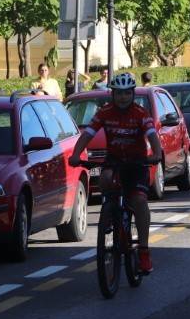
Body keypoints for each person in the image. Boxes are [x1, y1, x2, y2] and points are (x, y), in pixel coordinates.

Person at [68, 72, 163, 274]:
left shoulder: (140, 113)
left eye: (127, 94)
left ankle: (144, 250)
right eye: (118, 93)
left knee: (138, 201)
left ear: (132, 94)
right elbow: (87, 134)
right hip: (115, 161)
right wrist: (76, 154)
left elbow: (153, 136)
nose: (122, 98)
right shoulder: (105, 112)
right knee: (104, 178)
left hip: (137, 163)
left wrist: (156, 153)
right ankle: (110, 213)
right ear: (112, 94)